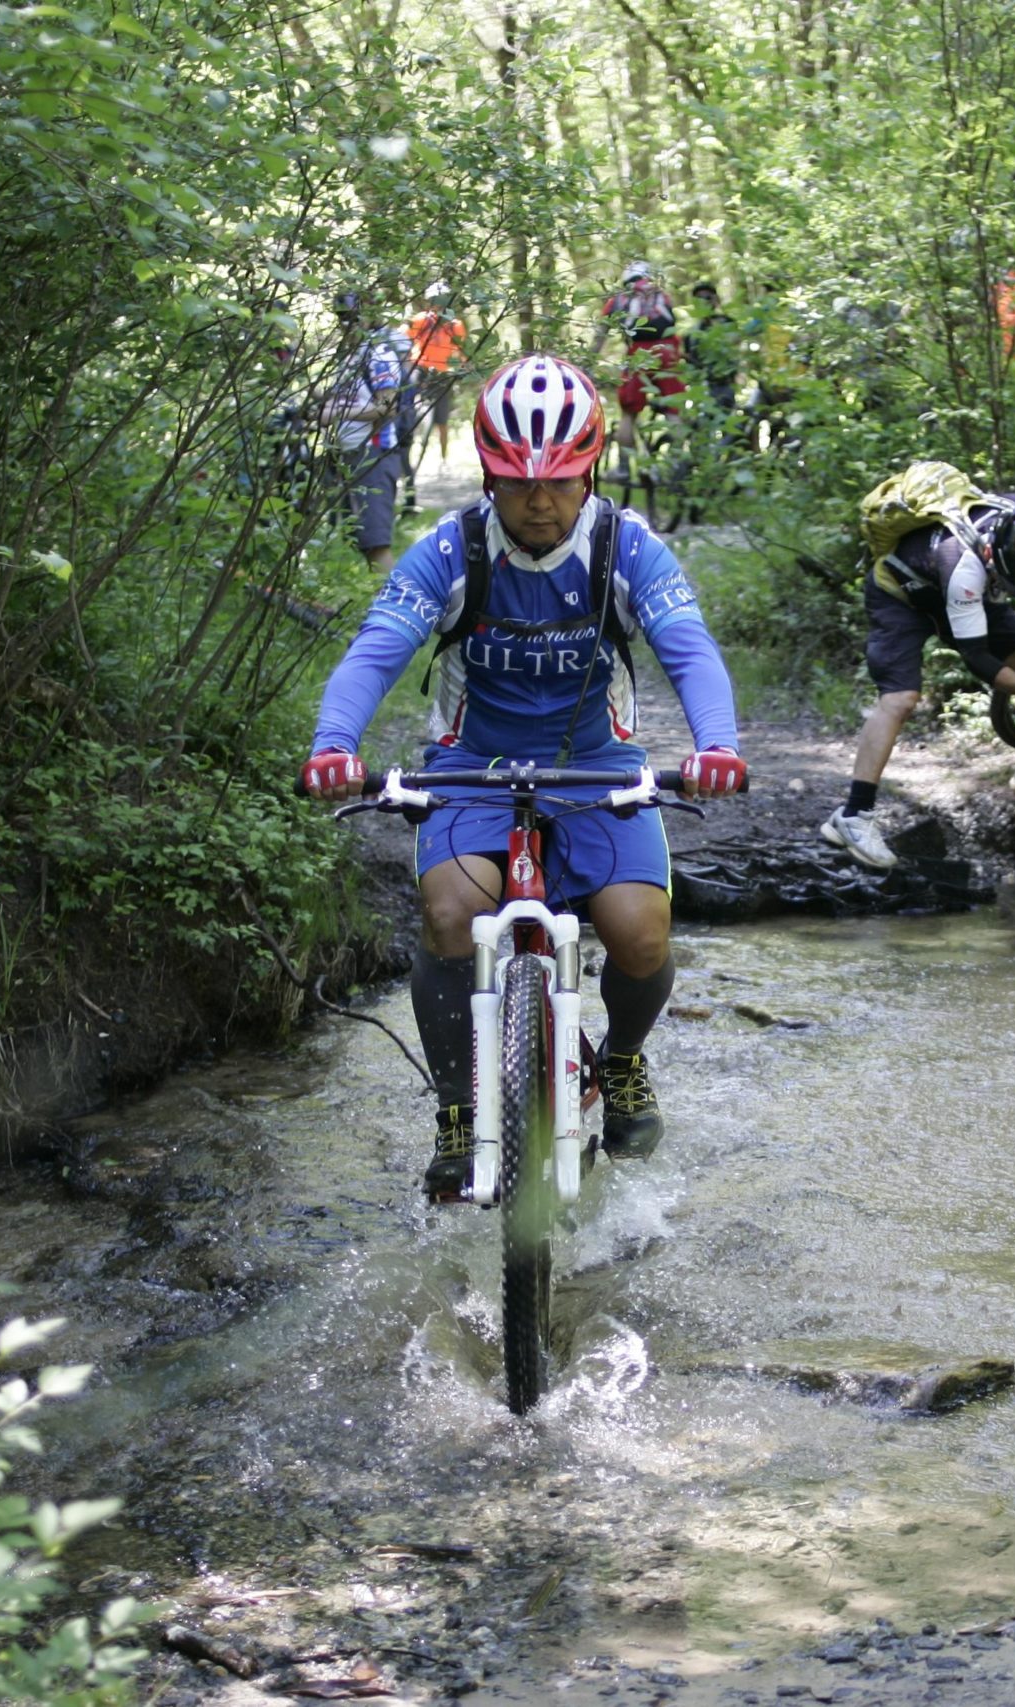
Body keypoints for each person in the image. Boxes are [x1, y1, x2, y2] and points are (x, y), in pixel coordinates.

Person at [300, 353, 747, 1200]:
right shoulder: (452, 548)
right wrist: (334, 742)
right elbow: (377, 649)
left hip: (597, 764)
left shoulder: (625, 544)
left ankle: (619, 1062)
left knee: (641, 930)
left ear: (592, 470)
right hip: (473, 768)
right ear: (489, 474)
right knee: (449, 913)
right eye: (516, 483)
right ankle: (460, 1106)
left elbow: (688, 647)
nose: (540, 501)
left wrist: (715, 743)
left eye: (560, 481)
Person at [820, 486, 1015, 870]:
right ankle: (853, 816)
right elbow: (977, 658)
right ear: (993, 556)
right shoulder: (963, 567)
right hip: (902, 597)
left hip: (959, 589)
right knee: (900, 699)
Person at [327, 292, 407, 572]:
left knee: (377, 545)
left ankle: (397, 607)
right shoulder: (345, 356)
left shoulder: (378, 353)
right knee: (361, 542)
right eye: (342, 318)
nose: (347, 324)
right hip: (349, 455)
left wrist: (336, 414)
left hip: (374, 453)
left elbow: (387, 406)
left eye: (352, 317)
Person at [589, 260, 686, 451]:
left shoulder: (618, 300)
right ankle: (678, 465)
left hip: (637, 356)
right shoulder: (661, 295)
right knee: (673, 410)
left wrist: (588, 362)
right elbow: (671, 326)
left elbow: (600, 335)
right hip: (668, 353)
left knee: (628, 413)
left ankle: (626, 467)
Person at [406, 285, 469, 467]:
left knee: (442, 421)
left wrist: (465, 367)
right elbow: (403, 338)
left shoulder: (455, 325)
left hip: (443, 373)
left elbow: (461, 349)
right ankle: (407, 452)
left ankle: (443, 459)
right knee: (408, 410)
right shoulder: (420, 321)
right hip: (421, 370)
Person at [684, 281, 741, 417]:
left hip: (724, 384)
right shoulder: (691, 333)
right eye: (699, 299)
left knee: (728, 423)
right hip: (701, 386)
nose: (704, 302)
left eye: (708, 297)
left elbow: (734, 345)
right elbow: (689, 360)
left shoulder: (728, 322)